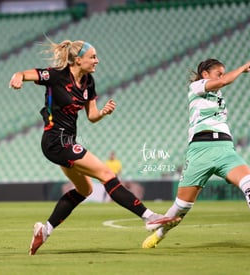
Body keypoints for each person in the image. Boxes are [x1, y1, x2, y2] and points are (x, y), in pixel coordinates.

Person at [9, 39, 180, 255]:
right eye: (93, 57)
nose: (97, 61)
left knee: (85, 190)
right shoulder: (56, 75)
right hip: (55, 140)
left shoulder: (88, 81)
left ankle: (45, 230)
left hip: (67, 142)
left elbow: (91, 116)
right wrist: (17, 77)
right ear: (78, 60)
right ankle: (149, 217)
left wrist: (103, 113)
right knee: (106, 174)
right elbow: (26, 74)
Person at [142, 59, 250, 248]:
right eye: (219, 73)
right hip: (200, 149)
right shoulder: (197, 87)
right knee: (182, 207)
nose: (221, 77)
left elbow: (221, 84)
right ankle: (158, 235)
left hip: (224, 148)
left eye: (223, 74)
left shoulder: (217, 94)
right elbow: (223, 82)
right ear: (205, 74)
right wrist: (240, 68)